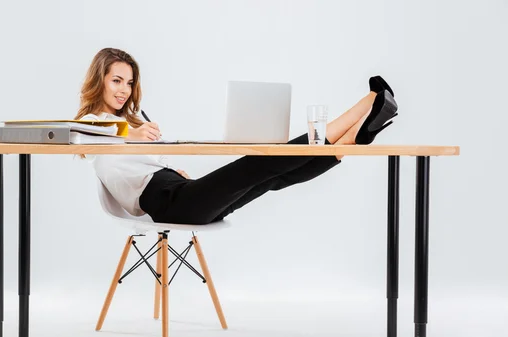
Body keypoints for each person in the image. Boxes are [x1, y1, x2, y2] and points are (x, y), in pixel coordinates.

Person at [76, 48, 398, 225]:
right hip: (170, 206)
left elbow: (144, 165)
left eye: (129, 83)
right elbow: (91, 133)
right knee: (259, 165)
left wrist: (170, 169)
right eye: (117, 81)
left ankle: (352, 139)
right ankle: (364, 106)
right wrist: (133, 131)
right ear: (100, 81)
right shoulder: (91, 123)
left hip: (180, 193)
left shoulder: (132, 122)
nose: (124, 90)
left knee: (271, 179)